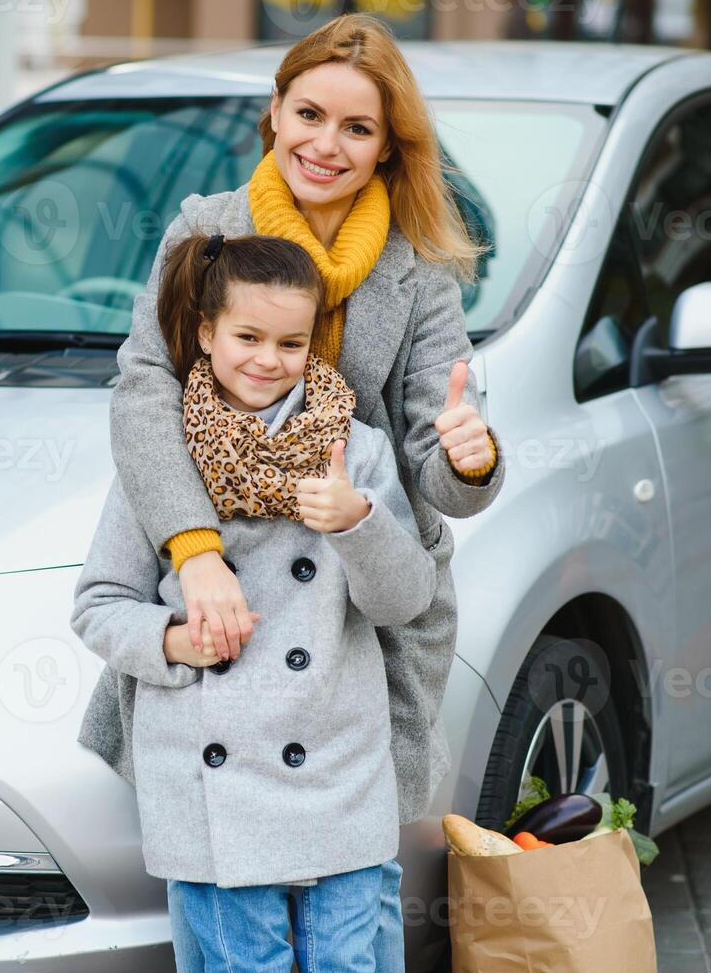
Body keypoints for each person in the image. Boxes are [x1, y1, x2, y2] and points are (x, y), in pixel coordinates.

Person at [76, 18, 505, 941]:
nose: (327, 143)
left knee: (353, 880)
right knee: (235, 907)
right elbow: (146, 388)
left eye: (358, 127)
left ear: (390, 144)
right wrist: (193, 554)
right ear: (274, 112)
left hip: (357, 568)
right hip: (226, 565)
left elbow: (439, 468)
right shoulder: (208, 229)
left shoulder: (418, 266)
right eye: (309, 112)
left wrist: (472, 456)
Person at [72, 229, 436, 970]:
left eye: (291, 343)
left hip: (336, 769)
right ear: (206, 334)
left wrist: (356, 523)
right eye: (247, 336)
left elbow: (406, 601)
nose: (268, 361)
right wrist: (174, 642)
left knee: (349, 962)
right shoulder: (164, 456)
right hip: (216, 794)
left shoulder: (355, 451)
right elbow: (98, 604)